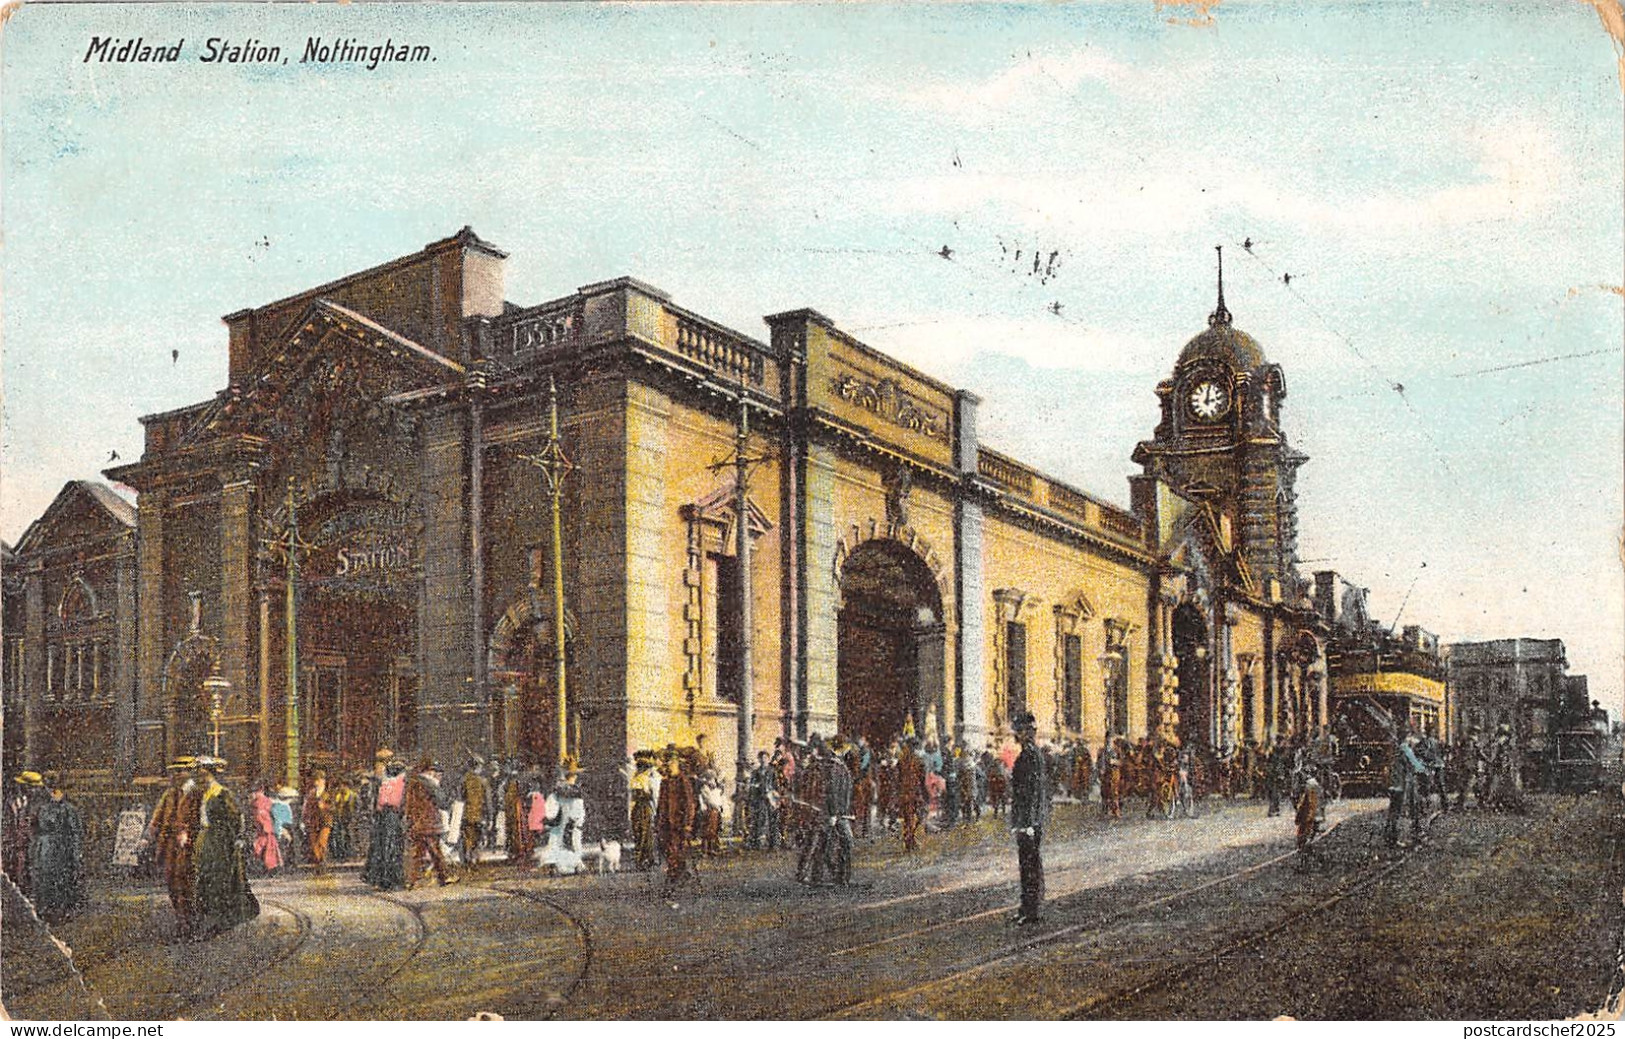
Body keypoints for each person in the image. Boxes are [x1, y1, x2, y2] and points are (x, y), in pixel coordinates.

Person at [190, 757, 259, 938]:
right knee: (204, 878)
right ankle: (208, 919)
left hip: (220, 841)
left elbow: (236, 817)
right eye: (199, 775)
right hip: (206, 839)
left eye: (204, 775)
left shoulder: (222, 793)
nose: (201, 779)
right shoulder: (203, 793)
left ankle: (219, 921)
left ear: (212, 775)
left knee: (219, 879)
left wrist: (238, 838)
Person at [1009, 713, 1048, 926]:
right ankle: (1026, 907)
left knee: (1030, 866)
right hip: (1025, 820)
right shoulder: (1028, 754)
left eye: (1020, 731)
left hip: (1029, 822)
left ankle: (1032, 910)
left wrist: (1029, 823)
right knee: (1026, 865)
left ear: (1028, 732)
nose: (1016, 735)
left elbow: (1034, 792)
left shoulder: (1031, 755)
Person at [30, 779, 85, 923]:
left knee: (61, 880)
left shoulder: (69, 809)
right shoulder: (43, 808)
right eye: (52, 790)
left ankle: (61, 910)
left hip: (62, 849)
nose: (54, 794)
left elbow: (76, 832)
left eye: (57, 790)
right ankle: (45, 909)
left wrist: (76, 852)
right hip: (45, 849)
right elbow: (35, 830)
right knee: (44, 878)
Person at [406, 761, 457, 888]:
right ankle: (444, 877)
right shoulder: (428, 783)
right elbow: (443, 802)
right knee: (435, 851)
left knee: (418, 853)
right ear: (429, 771)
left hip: (416, 823)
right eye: (434, 771)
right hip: (429, 823)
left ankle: (411, 880)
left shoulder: (412, 783)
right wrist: (451, 798)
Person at [363, 760, 408, 891]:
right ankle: (392, 881)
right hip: (392, 818)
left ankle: (381, 880)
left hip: (382, 818)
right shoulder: (400, 783)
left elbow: (377, 804)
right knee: (392, 849)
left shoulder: (384, 783)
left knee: (381, 849)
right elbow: (399, 803)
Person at [655, 751, 695, 895]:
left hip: (678, 824)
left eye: (671, 764)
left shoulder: (683, 781)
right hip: (665, 824)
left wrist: (688, 824)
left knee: (675, 852)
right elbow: (660, 804)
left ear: (677, 764)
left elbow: (689, 805)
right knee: (667, 851)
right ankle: (682, 873)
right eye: (667, 764)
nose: (669, 767)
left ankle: (672, 881)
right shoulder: (665, 782)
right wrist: (657, 821)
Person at [5, 771, 44, 894]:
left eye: (35, 788)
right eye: (30, 788)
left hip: (32, 845)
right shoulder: (14, 802)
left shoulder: (38, 804)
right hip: (17, 844)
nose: (33, 791)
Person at [629, 752, 660, 869]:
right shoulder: (641, 779)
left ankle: (646, 859)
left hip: (641, 808)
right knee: (643, 835)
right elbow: (640, 795)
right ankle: (642, 860)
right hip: (642, 808)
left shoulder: (639, 778)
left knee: (644, 835)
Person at [896, 738, 927, 851]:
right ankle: (910, 840)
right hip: (913, 792)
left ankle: (910, 840)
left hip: (905, 792)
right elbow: (922, 777)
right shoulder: (918, 760)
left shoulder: (902, 760)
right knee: (917, 816)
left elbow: (898, 777)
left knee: (908, 818)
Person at [746, 751, 779, 851]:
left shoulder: (772, 771)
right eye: (761, 758)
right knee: (758, 820)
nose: (763, 760)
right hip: (759, 799)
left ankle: (773, 844)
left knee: (772, 820)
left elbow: (776, 786)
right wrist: (752, 796)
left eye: (765, 758)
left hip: (770, 799)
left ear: (768, 759)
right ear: (759, 759)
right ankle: (756, 843)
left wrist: (775, 798)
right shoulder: (755, 772)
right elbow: (752, 787)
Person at [250, 781, 283, 875]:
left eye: (255, 792)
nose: (253, 794)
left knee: (266, 850)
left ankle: (269, 869)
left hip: (266, 830)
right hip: (262, 830)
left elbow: (270, 816)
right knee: (265, 850)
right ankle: (267, 869)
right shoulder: (256, 803)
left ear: (261, 790)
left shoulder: (264, 802)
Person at [302, 770, 333, 870]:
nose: (317, 783)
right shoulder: (311, 793)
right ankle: (320, 862)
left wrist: (324, 807)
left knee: (322, 842)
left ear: (323, 780)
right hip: (313, 821)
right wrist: (305, 818)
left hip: (325, 820)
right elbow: (306, 807)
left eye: (319, 780)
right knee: (313, 844)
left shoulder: (329, 793)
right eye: (315, 780)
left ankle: (322, 861)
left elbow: (334, 807)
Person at [460, 760, 488, 869]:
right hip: (479, 814)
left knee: (467, 837)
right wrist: (489, 816)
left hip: (467, 814)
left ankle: (467, 859)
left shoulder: (463, 780)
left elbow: (459, 798)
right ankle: (475, 859)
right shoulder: (482, 781)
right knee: (478, 837)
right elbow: (487, 801)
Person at [697, 769, 726, 857]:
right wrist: (716, 806)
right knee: (707, 831)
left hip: (715, 811)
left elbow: (719, 798)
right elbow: (708, 800)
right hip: (708, 811)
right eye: (710, 779)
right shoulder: (704, 789)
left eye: (713, 779)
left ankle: (712, 849)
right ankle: (704, 850)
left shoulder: (716, 789)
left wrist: (720, 807)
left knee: (714, 830)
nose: (712, 781)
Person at [329, 775, 358, 862]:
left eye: (343, 786)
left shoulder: (353, 796)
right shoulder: (338, 796)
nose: (341, 787)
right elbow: (335, 807)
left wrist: (355, 818)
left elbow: (357, 808)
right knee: (339, 836)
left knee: (349, 836)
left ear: (347, 786)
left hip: (350, 819)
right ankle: (341, 854)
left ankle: (349, 854)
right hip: (340, 819)